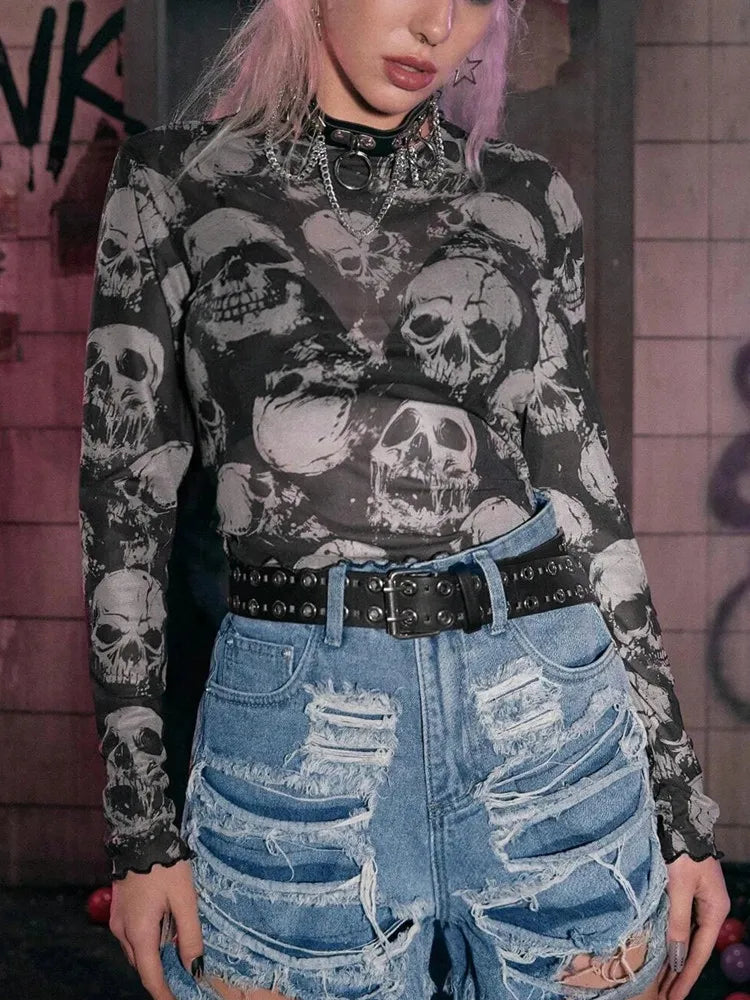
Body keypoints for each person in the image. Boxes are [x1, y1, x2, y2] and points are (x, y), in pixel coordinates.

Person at [78, 0, 731, 998]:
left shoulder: (527, 193)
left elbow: (585, 499)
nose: (437, 25)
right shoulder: (171, 182)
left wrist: (681, 812)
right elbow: (124, 513)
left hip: (549, 718)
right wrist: (139, 832)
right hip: (299, 734)